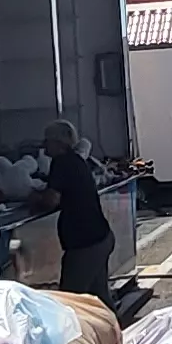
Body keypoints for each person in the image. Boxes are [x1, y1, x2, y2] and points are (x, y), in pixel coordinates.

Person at [42, 120, 114, 297]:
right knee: (99, 298)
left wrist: (33, 197)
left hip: (84, 244)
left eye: (47, 141)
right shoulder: (77, 161)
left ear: (57, 142)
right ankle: (114, 324)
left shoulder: (61, 163)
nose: (44, 146)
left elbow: (51, 200)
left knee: (71, 299)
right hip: (100, 236)